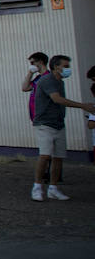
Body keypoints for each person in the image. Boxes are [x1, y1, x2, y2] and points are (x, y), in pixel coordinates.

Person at [25, 54, 93, 201]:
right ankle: (37, 187)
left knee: (58, 157)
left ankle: (53, 188)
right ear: (56, 66)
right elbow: (56, 99)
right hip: (44, 123)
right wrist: (83, 106)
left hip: (58, 123)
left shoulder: (59, 81)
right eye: (65, 66)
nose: (67, 69)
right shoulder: (47, 80)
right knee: (45, 155)